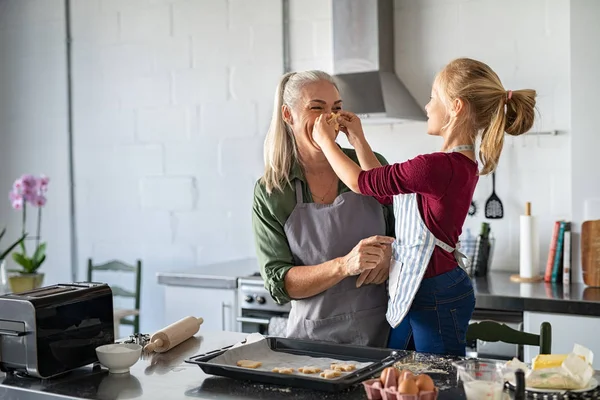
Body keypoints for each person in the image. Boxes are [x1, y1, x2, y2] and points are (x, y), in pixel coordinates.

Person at [312, 58, 536, 356]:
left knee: (437, 380)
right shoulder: (454, 165)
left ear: (456, 107)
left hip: (434, 290)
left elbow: (360, 183)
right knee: (399, 369)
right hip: (424, 286)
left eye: (433, 97)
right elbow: (385, 191)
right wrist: (358, 139)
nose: (428, 106)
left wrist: (327, 143)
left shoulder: (436, 167)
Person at [251, 70, 396, 347]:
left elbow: (412, 238)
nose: (329, 118)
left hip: (385, 340)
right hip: (311, 345)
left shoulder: (370, 165)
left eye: (337, 108)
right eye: (316, 107)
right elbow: (280, 284)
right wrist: (344, 265)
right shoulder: (272, 191)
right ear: (288, 115)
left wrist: (393, 254)